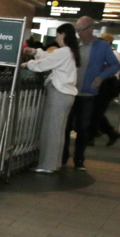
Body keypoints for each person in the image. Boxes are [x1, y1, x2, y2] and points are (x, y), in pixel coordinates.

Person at [63, 16, 120, 169]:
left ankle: (79, 159)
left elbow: (115, 65)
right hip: (70, 91)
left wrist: (101, 77)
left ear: (90, 29)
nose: (78, 34)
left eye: (81, 30)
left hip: (88, 94)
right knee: (66, 126)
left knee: (83, 127)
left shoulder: (102, 47)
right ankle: (63, 157)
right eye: (77, 31)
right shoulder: (74, 45)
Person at [22, 23, 80, 173]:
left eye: (58, 35)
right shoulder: (70, 52)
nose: (57, 38)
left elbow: (45, 64)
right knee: (58, 131)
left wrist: (27, 64)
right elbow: (50, 57)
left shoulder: (64, 52)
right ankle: (55, 163)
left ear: (63, 35)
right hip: (67, 96)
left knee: (51, 130)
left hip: (58, 94)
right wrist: (35, 52)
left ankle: (47, 166)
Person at [89, 33, 120, 146]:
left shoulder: (113, 54)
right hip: (105, 85)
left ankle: (92, 135)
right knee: (96, 111)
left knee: (96, 111)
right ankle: (110, 132)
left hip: (107, 86)